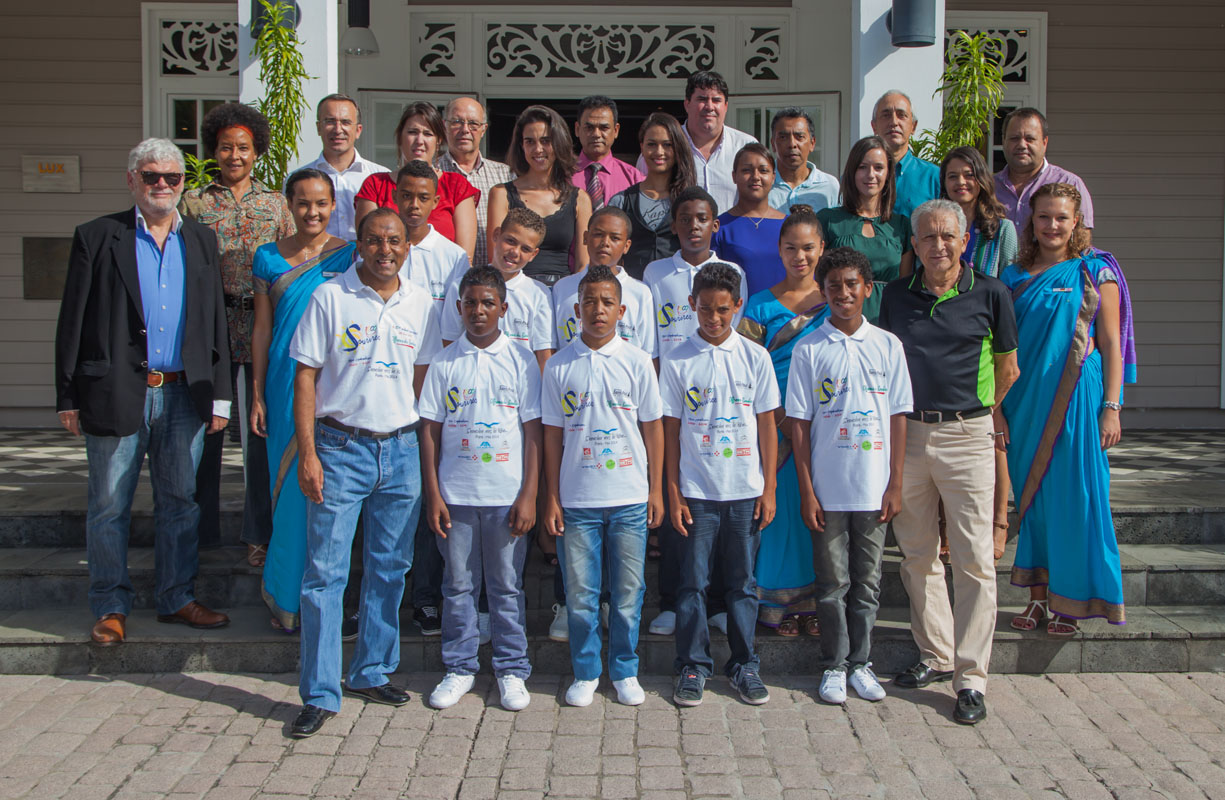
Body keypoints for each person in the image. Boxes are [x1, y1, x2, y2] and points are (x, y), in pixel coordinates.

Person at [55, 137, 233, 645]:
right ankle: (111, 606)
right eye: (151, 176)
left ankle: (177, 597)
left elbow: (213, 322)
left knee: (181, 502)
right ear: (132, 179)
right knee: (109, 503)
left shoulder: (200, 239)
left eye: (171, 178)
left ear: (182, 184)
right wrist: (68, 394)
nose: (161, 185)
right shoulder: (97, 236)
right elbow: (73, 319)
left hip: (184, 393)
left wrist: (220, 394)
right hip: (115, 391)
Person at [287, 208, 441, 738]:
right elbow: (304, 378)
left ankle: (371, 671)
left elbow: (422, 387)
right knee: (325, 575)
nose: (384, 250)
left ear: (406, 246)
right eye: (374, 240)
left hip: (399, 450)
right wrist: (307, 452)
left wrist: (425, 457)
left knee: (390, 567)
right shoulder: (330, 297)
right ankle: (321, 692)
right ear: (360, 244)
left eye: (394, 241)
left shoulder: (421, 304)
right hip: (339, 448)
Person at [878, 199, 1019, 726]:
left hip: (968, 435)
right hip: (909, 435)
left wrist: (981, 410)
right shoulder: (895, 296)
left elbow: (1008, 367)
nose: (938, 245)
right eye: (928, 237)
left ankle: (972, 677)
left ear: (964, 242)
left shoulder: (991, 293)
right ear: (914, 245)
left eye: (947, 237)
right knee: (916, 553)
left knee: (975, 560)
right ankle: (936, 654)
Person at [1003, 183, 1136, 637]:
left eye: (1061, 217)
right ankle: (1038, 599)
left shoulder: (1095, 272)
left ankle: (1070, 601)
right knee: (1034, 500)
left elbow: (1113, 345)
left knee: (1077, 498)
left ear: (1076, 221)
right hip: (1025, 404)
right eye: (1044, 217)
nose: (1052, 226)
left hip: (1079, 399)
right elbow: (1002, 348)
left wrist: (1112, 407)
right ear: (1031, 222)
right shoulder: (1013, 276)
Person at [787, 247, 913, 705]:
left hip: (874, 487)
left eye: (852, 284)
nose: (843, 293)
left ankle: (861, 663)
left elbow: (899, 415)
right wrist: (806, 489)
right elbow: (798, 423)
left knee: (869, 580)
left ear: (867, 289)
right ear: (823, 290)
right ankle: (834, 666)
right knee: (833, 582)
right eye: (834, 285)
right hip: (829, 487)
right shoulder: (808, 349)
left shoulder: (887, 345)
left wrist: (895, 481)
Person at [421, 266, 543, 712]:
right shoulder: (444, 361)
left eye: (488, 303)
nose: (478, 310)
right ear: (458, 308)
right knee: (458, 585)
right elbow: (430, 432)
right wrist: (433, 493)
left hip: (507, 498)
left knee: (506, 585)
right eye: (470, 302)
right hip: (456, 498)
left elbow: (533, 433)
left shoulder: (522, 360)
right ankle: (460, 667)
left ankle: (512, 669)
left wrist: (529, 493)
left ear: (504, 309)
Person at [542, 265, 664, 708]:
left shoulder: (636, 362)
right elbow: (552, 435)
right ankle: (586, 670)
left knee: (629, 593)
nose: (598, 310)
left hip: (630, 497)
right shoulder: (558, 366)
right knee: (580, 593)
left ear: (622, 310)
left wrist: (654, 491)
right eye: (589, 302)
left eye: (607, 302)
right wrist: (552, 497)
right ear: (576, 308)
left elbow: (653, 428)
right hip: (577, 499)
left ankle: (625, 669)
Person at [179, 102, 295, 564]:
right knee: (203, 434)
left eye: (243, 148)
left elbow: (291, 262)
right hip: (210, 332)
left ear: (256, 151)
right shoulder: (194, 202)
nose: (234, 156)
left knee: (258, 436)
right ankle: (200, 531)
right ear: (214, 149)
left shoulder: (275, 203)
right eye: (226, 147)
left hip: (261, 330)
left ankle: (257, 534)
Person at [662, 262, 779, 708]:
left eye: (723, 311)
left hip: (745, 491)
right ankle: (692, 666)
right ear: (692, 305)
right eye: (705, 310)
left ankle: (744, 665)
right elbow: (670, 431)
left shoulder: (755, 357)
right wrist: (673, 490)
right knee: (692, 583)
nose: (713, 319)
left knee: (742, 584)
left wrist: (767, 489)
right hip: (696, 491)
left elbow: (767, 425)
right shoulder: (677, 360)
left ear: (737, 307)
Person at [250, 169, 355, 633]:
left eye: (321, 204)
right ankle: (284, 598)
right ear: (289, 206)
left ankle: (325, 601)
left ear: (334, 206)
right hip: (281, 379)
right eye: (303, 203)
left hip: (332, 384)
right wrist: (255, 392)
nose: (312, 212)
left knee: (327, 491)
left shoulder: (349, 254)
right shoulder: (268, 258)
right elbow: (262, 329)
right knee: (290, 491)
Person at [643, 186, 747, 637]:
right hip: (670, 395)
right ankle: (671, 600)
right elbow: (648, 339)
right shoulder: (655, 272)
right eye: (684, 218)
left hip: (718, 399)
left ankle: (721, 603)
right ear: (674, 225)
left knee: (719, 504)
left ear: (714, 225)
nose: (693, 226)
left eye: (702, 218)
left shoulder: (730, 272)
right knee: (676, 500)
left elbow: (734, 340)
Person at [737, 205, 827, 636]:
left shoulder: (836, 303)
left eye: (808, 248)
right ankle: (775, 604)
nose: (800, 257)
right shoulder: (759, 304)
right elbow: (743, 370)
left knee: (816, 514)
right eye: (791, 248)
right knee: (779, 516)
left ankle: (813, 605)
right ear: (779, 250)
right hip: (773, 425)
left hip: (825, 427)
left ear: (821, 248)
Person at [940, 145, 1020, 559]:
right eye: (953, 176)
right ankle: (947, 530)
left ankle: (1000, 523)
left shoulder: (999, 229)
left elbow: (1006, 288)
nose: (961, 183)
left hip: (984, 335)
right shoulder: (939, 223)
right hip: (945, 337)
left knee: (993, 428)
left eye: (968, 174)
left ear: (981, 179)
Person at [354, 102, 479, 262]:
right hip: (386, 280)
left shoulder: (455, 185)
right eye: (412, 132)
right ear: (400, 137)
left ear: (438, 140)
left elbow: (464, 257)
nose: (419, 140)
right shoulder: (376, 184)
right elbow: (367, 248)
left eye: (428, 133)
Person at [488, 105, 592, 287]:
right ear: (521, 146)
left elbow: (583, 264)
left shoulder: (580, 199)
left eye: (546, 141)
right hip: (513, 293)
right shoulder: (501, 194)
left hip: (561, 294)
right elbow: (496, 258)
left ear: (559, 143)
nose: (538, 149)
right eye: (530, 141)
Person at [817, 136, 914, 323]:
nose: (870, 174)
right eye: (862, 167)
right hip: (838, 321)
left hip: (889, 320)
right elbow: (817, 281)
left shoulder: (901, 225)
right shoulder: (828, 220)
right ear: (852, 172)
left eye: (878, 167)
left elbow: (905, 285)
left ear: (888, 174)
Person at [442, 207, 554, 371]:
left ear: (534, 255)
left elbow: (543, 355)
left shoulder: (540, 294)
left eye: (525, 249)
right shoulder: (460, 286)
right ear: (496, 235)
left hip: (518, 387)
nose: (515, 252)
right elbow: (449, 342)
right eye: (510, 241)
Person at [637, 70, 758, 214]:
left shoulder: (746, 146)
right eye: (702, 99)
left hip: (732, 236)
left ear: (725, 106)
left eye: (716, 100)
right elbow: (644, 198)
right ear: (687, 104)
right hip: (676, 235)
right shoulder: (663, 148)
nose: (709, 106)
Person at [609, 112, 695, 279]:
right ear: (642, 146)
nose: (659, 151)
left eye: (667, 145)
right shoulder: (621, 201)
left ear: (678, 148)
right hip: (634, 296)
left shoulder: (689, 201)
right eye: (651, 144)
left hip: (676, 295)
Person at [437, 97, 516, 271]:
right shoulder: (433, 174)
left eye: (473, 124)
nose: (465, 130)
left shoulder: (505, 175)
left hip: (495, 278)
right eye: (457, 122)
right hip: (446, 275)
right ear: (445, 126)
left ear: (483, 129)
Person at [298, 93, 389, 241]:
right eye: (330, 121)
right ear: (318, 128)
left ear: (358, 130)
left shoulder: (380, 176)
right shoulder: (300, 179)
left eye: (346, 122)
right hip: (316, 262)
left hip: (364, 262)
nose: (338, 129)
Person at [994, 107, 1096, 234]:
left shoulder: (1070, 183)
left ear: (1044, 142)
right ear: (1004, 141)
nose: (1021, 145)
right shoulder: (989, 187)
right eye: (1014, 138)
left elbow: (1082, 241)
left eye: (1030, 139)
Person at [394, 160, 471, 313]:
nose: (414, 204)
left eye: (423, 198)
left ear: (435, 202)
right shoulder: (381, 251)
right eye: (407, 195)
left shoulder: (455, 256)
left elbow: (456, 319)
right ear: (394, 196)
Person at [713, 143, 787, 296]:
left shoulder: (789, 226)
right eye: (746, 170)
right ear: (734, 176)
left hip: (786, 316)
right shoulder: (720, 227)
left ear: (773, 177)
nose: (755, 177)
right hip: (740, 317)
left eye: (763, 170)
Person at [869, 91, 940, 217]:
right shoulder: (860, 176)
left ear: (913, 126)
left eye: (902, 115)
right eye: (886, 115)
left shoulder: (933, 177)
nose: (894, 122)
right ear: (874, 126)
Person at [572, 96, 644, 210]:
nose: (596, 134)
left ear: (616, 130)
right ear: (577, 129)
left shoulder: (634, 179)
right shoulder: (562, 176)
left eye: (604, 128)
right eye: (589, 127)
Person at [768, 107, 839, 213]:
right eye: (783, 137)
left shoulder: (830, 186)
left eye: (800, 136)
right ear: (773, 144)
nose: (792, 144)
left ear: (812, 143)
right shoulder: (761, 184)